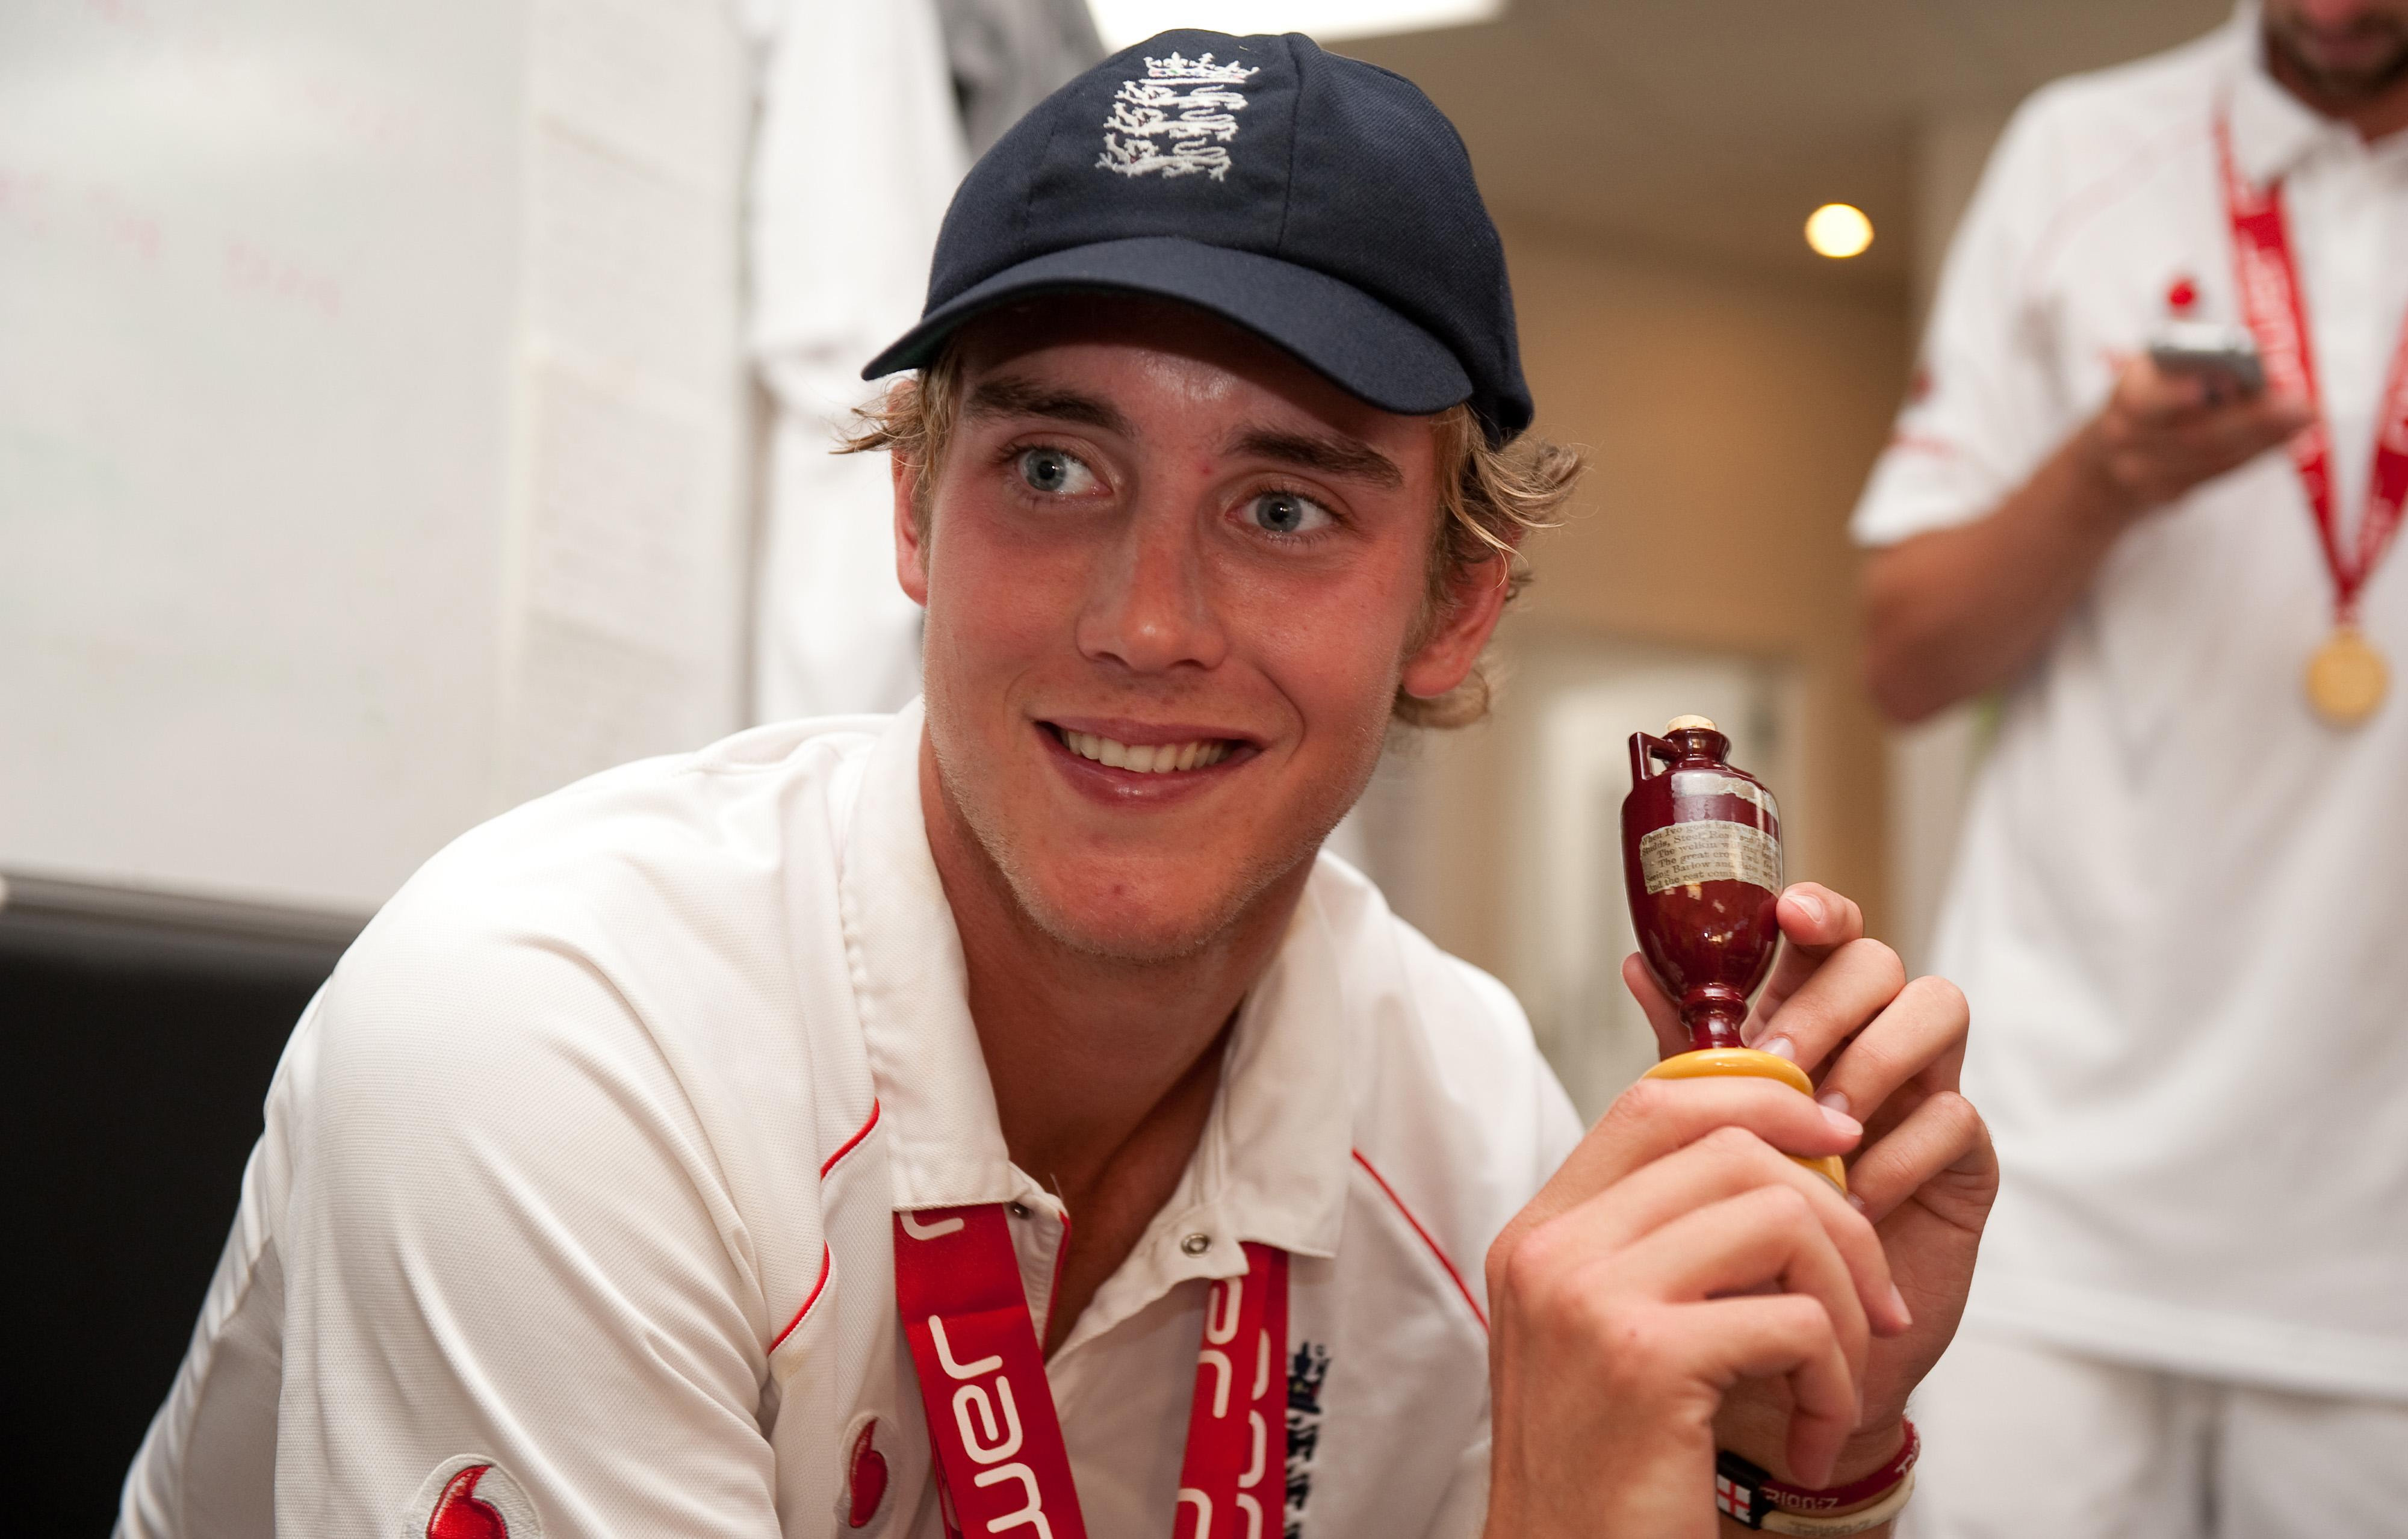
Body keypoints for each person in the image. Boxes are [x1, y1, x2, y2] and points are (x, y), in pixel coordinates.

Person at [123, 31, 1993, 1539]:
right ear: (916, 512)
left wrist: (1788, 1460)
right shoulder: (551, 1046)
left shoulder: (1463, 1114)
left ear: (1452, 606)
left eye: (1283, 506)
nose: (1148, 622)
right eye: (1051, 471)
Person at [1854, 1, 2408, 1533]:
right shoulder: (2078, 156)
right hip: (2048, 1197)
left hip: (2379, 1234)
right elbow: (1905, 655)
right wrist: (2097, 479)